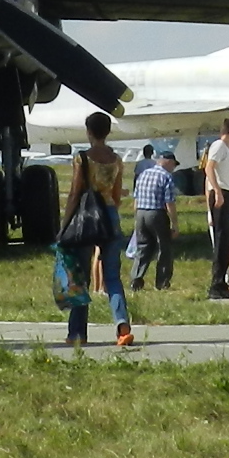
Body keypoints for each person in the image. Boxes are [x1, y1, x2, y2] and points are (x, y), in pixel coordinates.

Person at [59, 112, 135, 348]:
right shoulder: (116, 159)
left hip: (85, 217)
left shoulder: (82, 158)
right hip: (109, 215)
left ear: (88, 131)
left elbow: (75, 193)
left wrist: (64, 224)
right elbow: (116, 194)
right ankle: (122, 326)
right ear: (108, 131)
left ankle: (77, 333)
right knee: (112, 276)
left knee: (80, 277)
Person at [128, 147, 177, 293]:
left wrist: (136, 216)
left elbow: (135, 199)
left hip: (141, 213)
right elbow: (169, 202)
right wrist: (174, 223)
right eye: (174, 164)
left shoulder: (144, 174)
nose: (174, 168)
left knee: (142, 247)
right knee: (164, 247)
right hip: (157, 213)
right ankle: (162, 282)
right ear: (168, 162)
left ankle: (136, 278)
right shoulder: (166, 176)